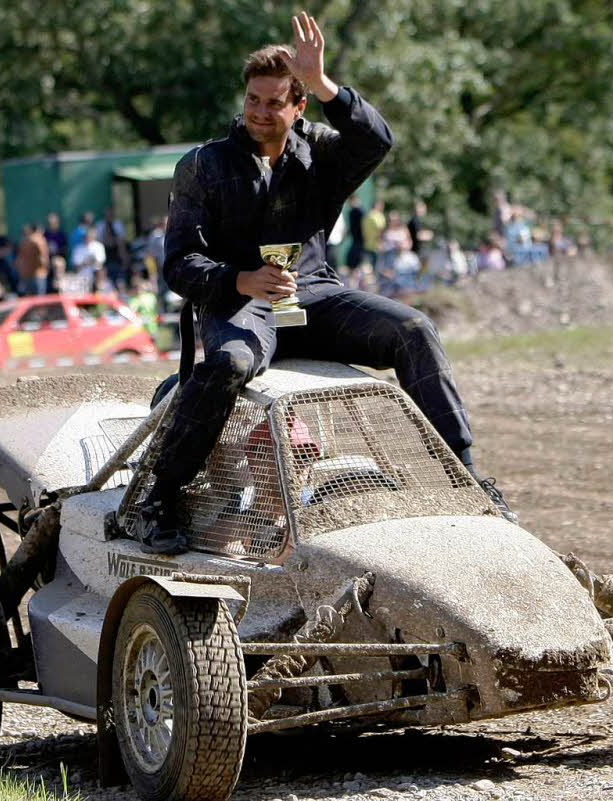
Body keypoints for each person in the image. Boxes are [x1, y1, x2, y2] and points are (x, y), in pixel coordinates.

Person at [139, 11, 516, 553]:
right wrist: (241, 280)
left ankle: (467, 478)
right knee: (229, 363)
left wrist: (324, 84)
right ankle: (164, 497)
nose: (260, 113)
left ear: (298, 106)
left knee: (415, 329)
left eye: (275, 102)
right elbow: (180, 264)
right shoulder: (202, 165)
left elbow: (376, 138)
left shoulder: (322, 150)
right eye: (253, 100)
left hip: (314, 293)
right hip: (241, 304)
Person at [97, 206, 130, 290]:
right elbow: (101, 240)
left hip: (117, 256)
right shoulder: (100, 225)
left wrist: (124, 256)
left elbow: (121, 241)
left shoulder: (118, 224)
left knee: (120, 279)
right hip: (106, 255)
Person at [16, 223, 50, 295]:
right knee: (39, 301)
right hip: (38, 275)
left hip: (27, 276)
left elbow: (19, 261)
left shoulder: (24, 242)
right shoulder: (39, 241)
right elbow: (43, 260)